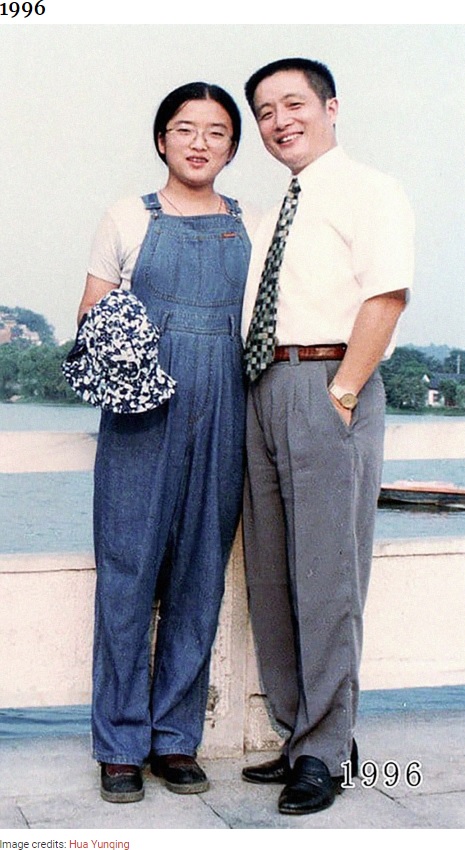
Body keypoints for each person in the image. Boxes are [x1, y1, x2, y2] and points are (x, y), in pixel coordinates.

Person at [240, 58, 414, 815]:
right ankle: (296, 734)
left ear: (330, 106)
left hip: (325, 382)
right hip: (262, 385)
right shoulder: (276, 205)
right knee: (271, 578)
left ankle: (327, 750)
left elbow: (386, 294)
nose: (279, 121)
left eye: (292, 103)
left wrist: (343, 389)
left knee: (327, 577)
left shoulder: (370, 188)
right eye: (264, 111)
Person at [77, 82, 251, 803]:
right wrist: (144, 376)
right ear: (161, 140)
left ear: (232, 147)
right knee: (127, 573)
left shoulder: (253, 224)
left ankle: (176, 740)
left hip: (226, 406)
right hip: (142, 410)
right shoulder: (127, 216)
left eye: (216, 131)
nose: (200, 142)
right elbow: (92, 315)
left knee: (199, 573)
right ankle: (119, 743)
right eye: (185, 129)